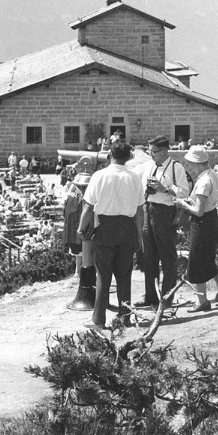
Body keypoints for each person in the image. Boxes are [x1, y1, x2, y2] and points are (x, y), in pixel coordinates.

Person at [78, 141, 145, 329]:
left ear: (110, 155)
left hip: (106, 227)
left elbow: (88, 206)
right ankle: (125, 318)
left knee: (103, 276)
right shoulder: (134, 177)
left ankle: (98, 319)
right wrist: (138, 235)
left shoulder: (99, 175)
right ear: (128, 157)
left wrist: (81, 228)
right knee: (124, 275)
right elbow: (140, 210)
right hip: (127, 227)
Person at [136, 135, 191, 308]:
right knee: (148, 256)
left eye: (154, 152)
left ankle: (167, 297)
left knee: (167, 256)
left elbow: (184, 192)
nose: (151, 155)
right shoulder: (148, 166)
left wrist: (164, 188)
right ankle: (150, 297)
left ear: (165, 150)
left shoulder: (176, 168)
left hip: (165, 212)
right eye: (150, 152)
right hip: (148, 208)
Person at [175, 145, 218, 312]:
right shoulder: (212, 175)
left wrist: (183, 204)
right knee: (207, 258)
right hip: (212, 219)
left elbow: (198, 212)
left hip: (202, 224)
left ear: (194, 162)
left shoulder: (203, 182)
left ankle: (202, 301)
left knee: (197, 260)